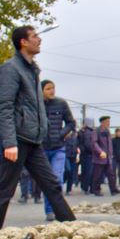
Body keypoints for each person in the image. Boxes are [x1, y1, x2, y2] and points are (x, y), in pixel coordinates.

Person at [0, 26, 76, 235]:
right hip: (17, 140)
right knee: (4, 190)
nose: (39, 40)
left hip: (33, 141)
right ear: (23, 42)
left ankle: (73, 229)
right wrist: (10, 142)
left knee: (52, 185)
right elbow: (5, 107)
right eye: (35, 37)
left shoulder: (32, 70)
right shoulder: (11, 69)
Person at [41, 79, 76, 219]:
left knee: (57, 179)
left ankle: (56, 210)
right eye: (48, 88)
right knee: (46, 180)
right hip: (42, 148)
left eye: (53, 88)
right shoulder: (36, 105)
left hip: (58, 148)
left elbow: (71, 123)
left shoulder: (61, 103)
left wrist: (60, 134)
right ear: (41, 90)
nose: (52, 91)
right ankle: (48, 210)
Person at [89, 116, 120, 196]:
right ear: (102, 122)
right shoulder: (96, 131)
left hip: (108, 158)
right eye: (107, 121)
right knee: (98, 175)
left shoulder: (107, 131)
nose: (109, 123)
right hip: (99, 158)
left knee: (111, 174)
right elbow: (94, 143)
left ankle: (113, 190)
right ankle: (96, 190)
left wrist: (111, 153)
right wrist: (100, 152)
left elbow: (109, 144)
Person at [78, 118, 94, 194]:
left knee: (85, 172)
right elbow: (88, 144)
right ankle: (87, 187)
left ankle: (85, 187)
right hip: (87, 154)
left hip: (84, 154)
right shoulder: (88, 132)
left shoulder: (82, 132)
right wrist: (93, 151)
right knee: (88, 172)